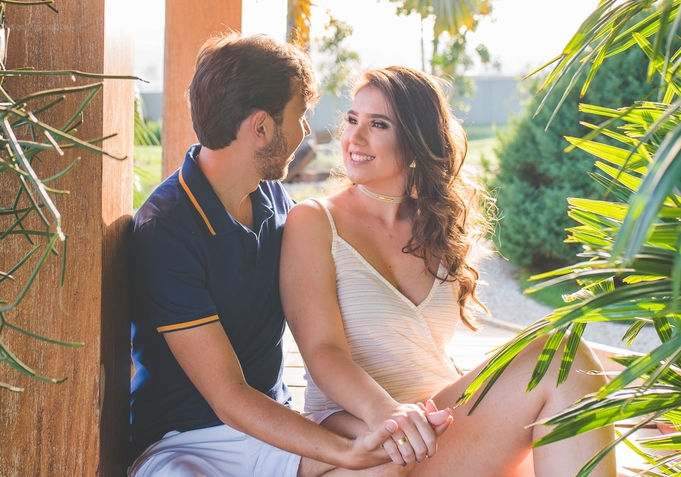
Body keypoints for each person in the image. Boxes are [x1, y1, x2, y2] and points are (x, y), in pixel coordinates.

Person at [129, 35, 451, 477]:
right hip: (184, 441)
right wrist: (339, 453)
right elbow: (229, 397)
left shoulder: (274, 201)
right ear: (261, 127)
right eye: (300, 117)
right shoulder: (165, 228)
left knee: (391, 462)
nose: (305, 133)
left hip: (272, 430)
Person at [282, 66, 616, 476]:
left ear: (415, 140)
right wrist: (392, 415)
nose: (355, 137)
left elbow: (421, 347)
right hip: (363, 435)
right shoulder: (313, 222)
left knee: (567, 357)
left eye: (378, 124)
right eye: (352, 119)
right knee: (559, 355)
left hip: (441, 421)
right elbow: (322, 353)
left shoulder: (433, 225)